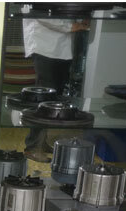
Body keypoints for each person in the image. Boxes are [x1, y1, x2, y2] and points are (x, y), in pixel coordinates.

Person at [22, 18, 89, 162]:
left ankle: (41, 142)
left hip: (62, 48)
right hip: (45, 47)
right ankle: (33, 147)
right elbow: (42, 14)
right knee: (43, 101)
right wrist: (71, 25)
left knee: (52, 100)